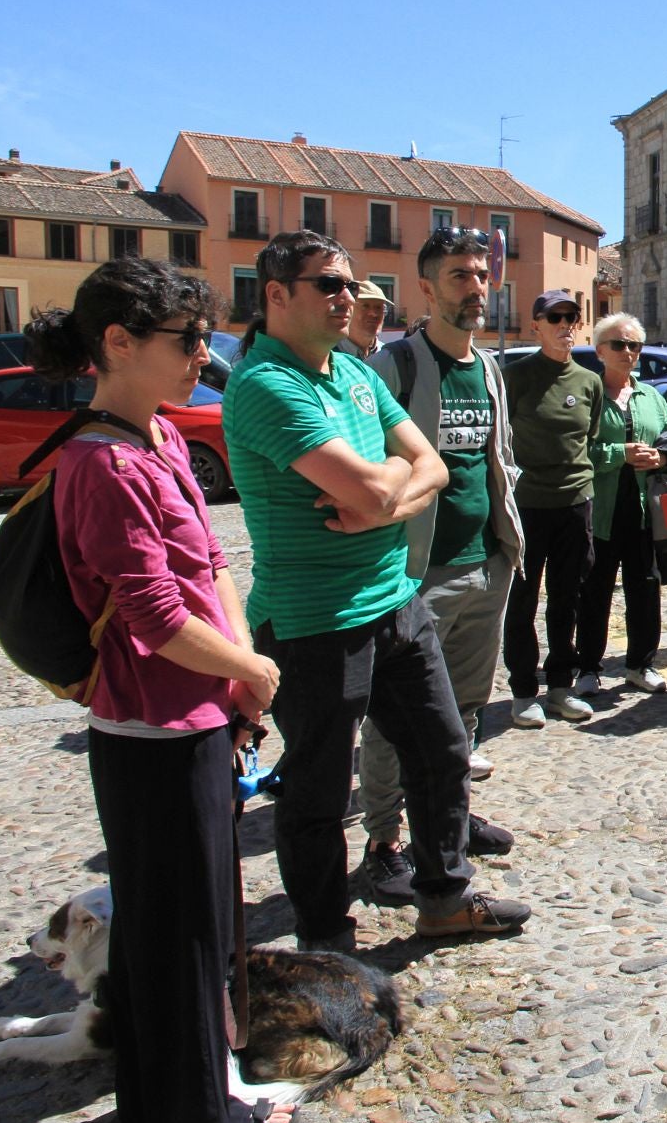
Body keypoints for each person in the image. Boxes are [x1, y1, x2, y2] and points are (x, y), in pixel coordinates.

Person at [26, 259, 297, 1123]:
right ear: (118, 343)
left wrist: (238, 668)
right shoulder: (101, 463)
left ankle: (162, 1101)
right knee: (180, 939)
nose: (202, 358)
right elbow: (152, 616)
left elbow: (209, 569)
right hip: (151, 733)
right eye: (188, 342)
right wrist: (250, 675)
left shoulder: (161, 440)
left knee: (185, 929)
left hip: (198, 716)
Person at [223, 229, 530, 949]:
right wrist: (387, 488)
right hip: (314, 622)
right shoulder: (267, 384)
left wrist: (380, 502)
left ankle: (444, 897)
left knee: (443, 751)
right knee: (318, 796)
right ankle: (326, 940)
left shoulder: (355, 374)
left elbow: (431, 467)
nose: (350, 298)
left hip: (395, 598)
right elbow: (385, 477)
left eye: (352, 285)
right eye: (329, 285)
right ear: (276, 295)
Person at [358, 225, 525, 904]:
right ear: (425, 287)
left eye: (481, 275)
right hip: (417, 572)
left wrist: (507, 545)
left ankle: (448, 820)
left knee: (466, 707)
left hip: (485, 563)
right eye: (459, 275)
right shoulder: (394, 367)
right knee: (395, 718)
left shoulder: (487, 367)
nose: (476, 288)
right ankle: (383, 842)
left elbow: (496, 457)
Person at [502, 291, 604, 727]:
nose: (565, 325)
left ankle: (561, 684)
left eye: (572, 318)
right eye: (555, 317)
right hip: (528, 504)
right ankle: (524, 690)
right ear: (536, 325)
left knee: (568, 597)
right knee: (522, 601)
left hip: (575, 502)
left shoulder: (589, 381)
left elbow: (589, 438)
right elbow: (500, 440)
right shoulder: (515, 377)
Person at [576, 312, 667, 694]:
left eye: (635, 345)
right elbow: (578, 450)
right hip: (600, 510)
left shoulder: (651, 397)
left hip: (647, 509)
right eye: (619, 344)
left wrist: (663, 458)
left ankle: (640, 664)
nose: (628, 352)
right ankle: (587, 668)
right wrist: (621, 453)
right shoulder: (589, 394)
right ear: (601, 350)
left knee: (645, 588)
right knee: (595, 589)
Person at [339, 279, 390, 358]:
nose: (373, 314)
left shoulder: (389, 355)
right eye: (365, 306)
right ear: (348, 309)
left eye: (378, 307)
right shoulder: (328, 355)